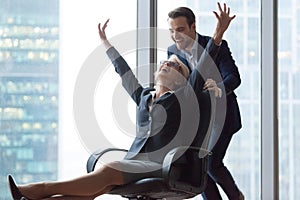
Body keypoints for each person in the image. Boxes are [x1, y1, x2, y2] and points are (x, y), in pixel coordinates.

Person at [7, 5, 234, 200]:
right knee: (96, 190)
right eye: (165, 63)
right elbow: (124, 74)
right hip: (135, 160)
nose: (167, 65)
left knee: (108, 171)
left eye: (175, 66)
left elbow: (202, 67)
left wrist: (217, 34)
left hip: (161, 165)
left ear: (183, 81)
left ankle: (39, 188)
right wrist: (106, 44)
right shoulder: (144, 96)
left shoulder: (182, 98)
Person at [167, 2, 244, 200]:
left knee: (211, 163)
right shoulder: (172, 52)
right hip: (198, 120)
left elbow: (234, 77)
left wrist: (218, 88)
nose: (176, 36)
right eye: (172, 31)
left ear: (193, 27)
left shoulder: (217, 45)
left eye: (181, 30)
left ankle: (236, 197)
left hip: (222, 115)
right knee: (198, 168)